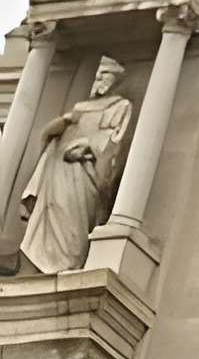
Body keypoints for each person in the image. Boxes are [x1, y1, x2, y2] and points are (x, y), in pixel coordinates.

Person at [18, 56, 133, 274]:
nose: (99, 78)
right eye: (97, 74)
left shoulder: (120, 106)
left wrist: (87, 145)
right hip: (59, 169)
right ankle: (49, 261)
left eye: (105, 74)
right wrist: (63, 124)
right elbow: (49, 134)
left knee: (75, 217)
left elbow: (115, 140)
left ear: (115, 79)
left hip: (85, 170)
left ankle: (71, 261)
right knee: (54, 212)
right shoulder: (80, 108)